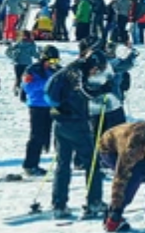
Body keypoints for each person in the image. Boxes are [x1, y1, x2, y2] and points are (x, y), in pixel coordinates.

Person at [45, 49, 109, 219]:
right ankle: (94, 201)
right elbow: (83, 92)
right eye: (98, 68)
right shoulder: (77, 72)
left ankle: (59, 204)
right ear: (93, 63)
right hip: (76, 123)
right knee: (92, 163)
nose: (96, 72)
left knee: (63, 164)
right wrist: (102, 90)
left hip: (60, 122)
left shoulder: (69, 70)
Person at [97, 120, 145, 231]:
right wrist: (116, 208)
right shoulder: (132, 150)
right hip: (109, 149)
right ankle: (112, 215)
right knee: (134, 176)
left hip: (131, 141)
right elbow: (120, 179)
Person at [21, 45, 61, 176]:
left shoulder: (55, 70)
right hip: (37, 106)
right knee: (36, 136)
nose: (53, 63)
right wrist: (48, 82)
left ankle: (38, 163)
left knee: (47, 135)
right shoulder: (33, 70)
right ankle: (30, 164)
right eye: (52, 60)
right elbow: (28, 87)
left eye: (56, 61)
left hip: (50, 106)